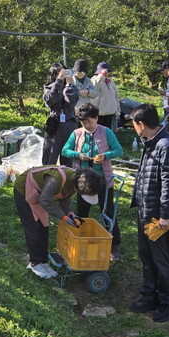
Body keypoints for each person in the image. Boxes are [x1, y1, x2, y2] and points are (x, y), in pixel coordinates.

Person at [128, 103, 169, 323]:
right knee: (146, 254)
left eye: (134, 124)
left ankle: (167, 302)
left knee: (161, 258)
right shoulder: (151, 142)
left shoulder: (167, 146)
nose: (133, 128)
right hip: (146, 210)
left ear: (141, 124)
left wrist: (165, 216)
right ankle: (149, 296)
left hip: (158, 216)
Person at [14, 165, 105, 278]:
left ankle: (43, 261)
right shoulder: (56, 180)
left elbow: (64, 197)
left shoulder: (76, 180)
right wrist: (63, 217)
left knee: (43, 226)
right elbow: (45, 201)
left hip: (40, 195)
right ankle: (34, 263)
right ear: (79, 187)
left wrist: (70, 213)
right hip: (25, 190)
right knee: (33, 228)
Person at [61, 103, 124, 260]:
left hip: (102, 179)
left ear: (96, 118)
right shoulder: (76, 133)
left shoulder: (106, 132)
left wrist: (105, 156)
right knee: (82, 210)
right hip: (83, 180)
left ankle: (114, 243)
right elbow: (64, 150)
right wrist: (78, 154)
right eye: (83, 123)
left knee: (108, 211)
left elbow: (119, 150)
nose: (87, 125)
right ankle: (81, 237)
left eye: (89, 121)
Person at [42, 62, 79, 167]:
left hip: (69, 123)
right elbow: (50, 100)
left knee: (68, 160)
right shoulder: (49, 86)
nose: (63, 75)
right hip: (55, 124)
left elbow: (71, 101)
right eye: (61, 72)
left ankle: (67, 181)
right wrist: (58, 82)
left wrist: (69, 85)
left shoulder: (71, 87)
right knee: (50, 157)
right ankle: (46, 179)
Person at [90, 61, 120, 129]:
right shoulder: (94, 79)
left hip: (110, 114)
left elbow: (116, 97)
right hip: (99, 114)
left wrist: (117, 112)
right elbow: (94, 88)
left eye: (108, 71)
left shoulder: (111, 81)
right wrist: (101, 75)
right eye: (105, 71)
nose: (106, 73)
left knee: (107, 134)